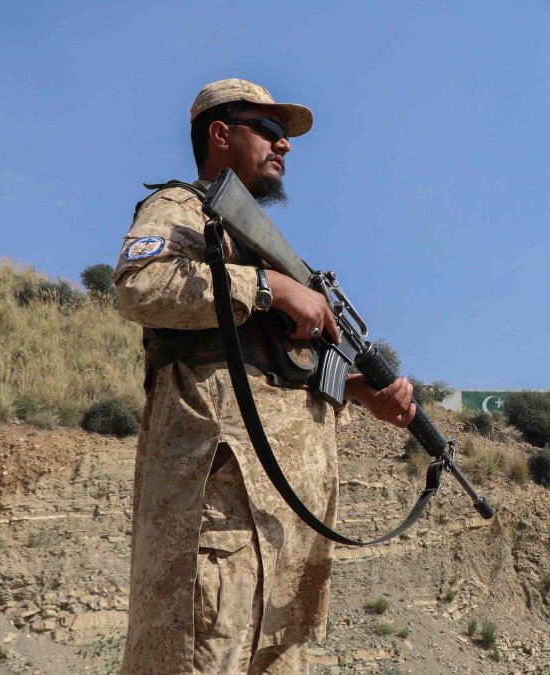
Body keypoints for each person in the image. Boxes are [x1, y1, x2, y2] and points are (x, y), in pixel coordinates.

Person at [114, 78, 416, 674]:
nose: (286, 147)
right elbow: (138, 284)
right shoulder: (182, 208)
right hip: (221, 514)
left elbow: (271, 371)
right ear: (220, 135)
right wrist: (270, 288)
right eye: (271, 131)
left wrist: (357, 393)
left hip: (284, 534)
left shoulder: (258, 242)